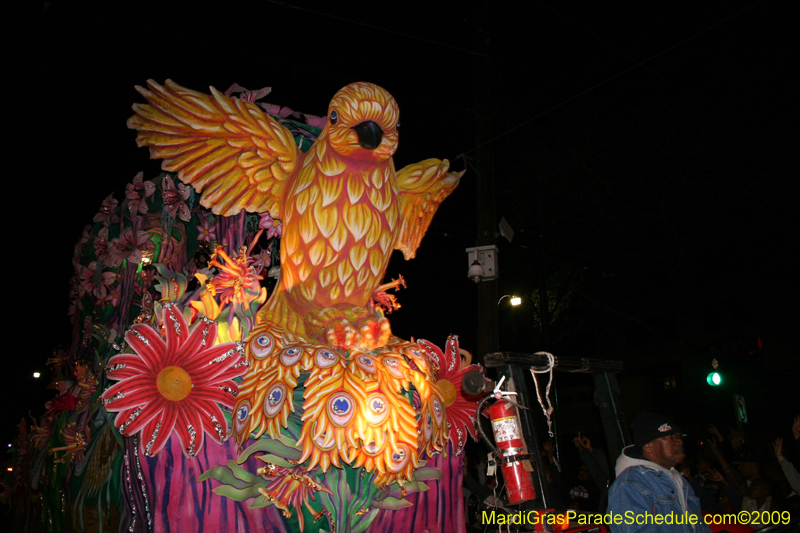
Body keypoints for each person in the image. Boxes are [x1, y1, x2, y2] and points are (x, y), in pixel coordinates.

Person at [607, 412, 710, 532]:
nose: (680, 442)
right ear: (648, 445)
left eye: (678, 437)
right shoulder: (631, 484)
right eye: (671, 437)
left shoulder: (680, 481)